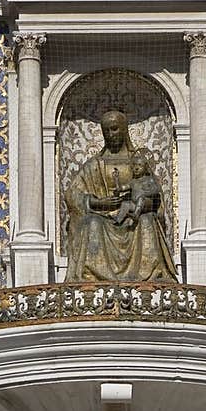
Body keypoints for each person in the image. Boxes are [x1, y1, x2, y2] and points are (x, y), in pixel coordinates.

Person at [65, 109, 176, 282]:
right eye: (107, 130)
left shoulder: (139, 161)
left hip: (135, 216)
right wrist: (97, 203)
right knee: (91, 224)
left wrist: (140, 205)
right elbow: (73, 195)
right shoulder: (94, 164)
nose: (110, 134)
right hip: (102, 217)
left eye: (115, 129)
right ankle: (93, 276)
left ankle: (152, 275)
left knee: (147, 221)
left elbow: (154, 193)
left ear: (124, 130)